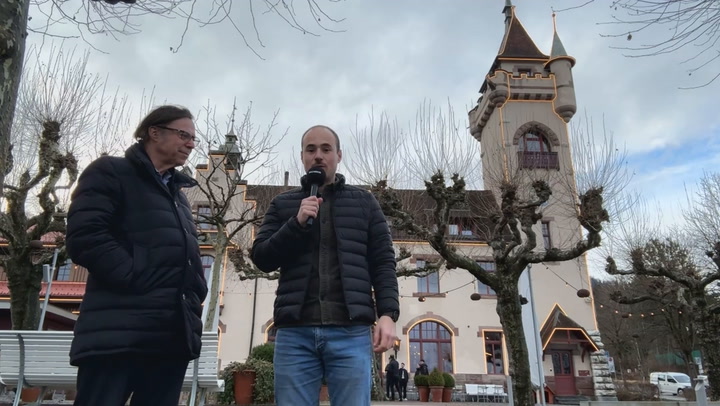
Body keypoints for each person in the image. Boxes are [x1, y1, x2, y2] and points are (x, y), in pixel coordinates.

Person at [66, 105, 208, 406]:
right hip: (118, 334)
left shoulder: (180, 197)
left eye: (194, 138)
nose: (191, 144)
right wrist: (133, 275)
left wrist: (196, 291)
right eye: (184, 135)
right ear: (153, 132)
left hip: (171, 337)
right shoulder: (111, 171)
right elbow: (85, 236)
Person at [251, 125, 399, 406]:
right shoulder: (283, 204)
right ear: (302, 157)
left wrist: (388, 314)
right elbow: (262, 258)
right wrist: (296, 224)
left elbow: (382, 262)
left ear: (338, 155)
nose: (318, 155)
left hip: (350, 331)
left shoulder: (365, 203)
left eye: (326, 149)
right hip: (295, 333)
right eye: (311, 149)